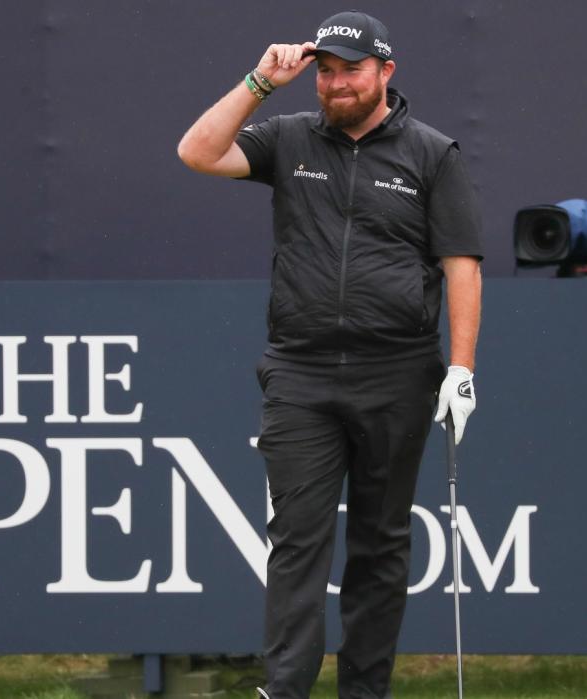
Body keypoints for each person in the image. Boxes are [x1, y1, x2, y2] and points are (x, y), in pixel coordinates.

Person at [177, 11, 483, 699]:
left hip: (399, 372)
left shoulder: (432, 154)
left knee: (380, 548)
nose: (337, 83)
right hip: (302, 372)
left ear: (385, 73)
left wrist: (460, 368)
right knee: (297, 543)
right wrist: (261, 81)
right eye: (326, 71)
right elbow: (197, 151)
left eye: (350, 70)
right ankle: (284, 690)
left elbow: (461, 264)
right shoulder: (288, 139)